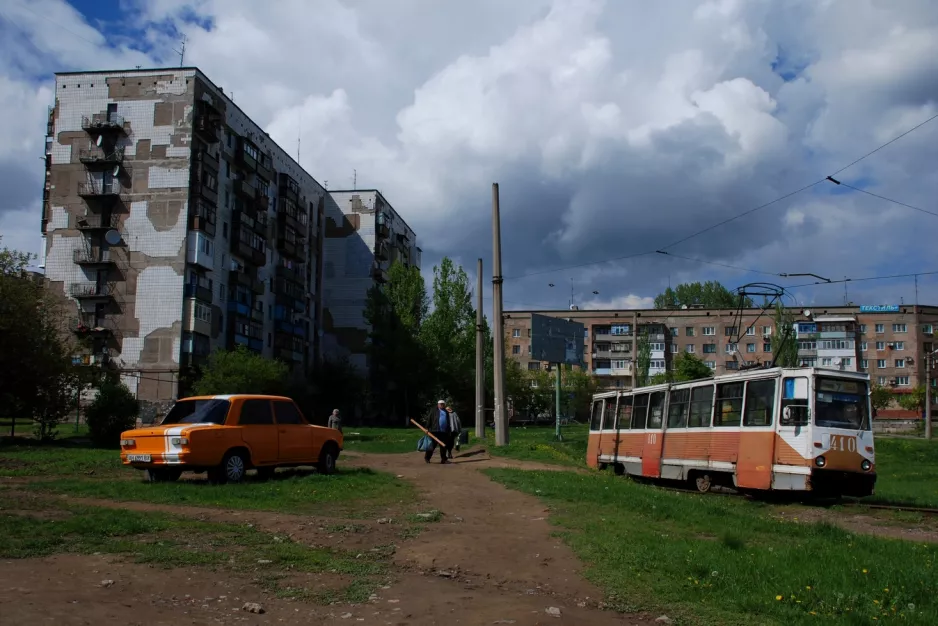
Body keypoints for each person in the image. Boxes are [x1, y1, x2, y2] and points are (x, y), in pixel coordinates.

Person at [423, 400, 454, 464]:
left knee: (443, 446)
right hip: (435, 431)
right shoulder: (434, 411)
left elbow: (448, 421)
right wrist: (427, 428)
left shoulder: (446, 411)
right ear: (438, 404)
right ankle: (427, 458)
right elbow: (429, 419)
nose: (442, 405)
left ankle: (444, 459)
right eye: (440, 404)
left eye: (443, 404)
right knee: (432, 445)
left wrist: (448, 430)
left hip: (443, 432)